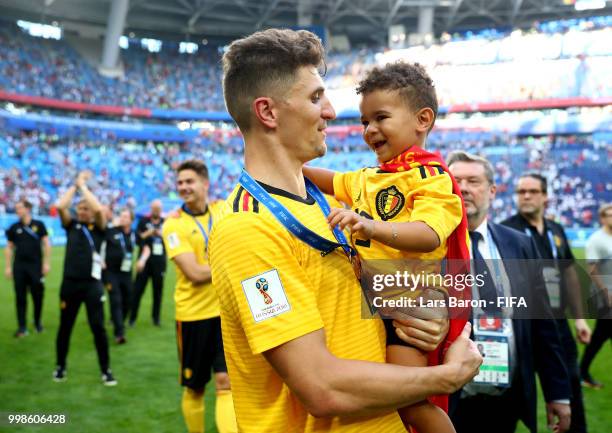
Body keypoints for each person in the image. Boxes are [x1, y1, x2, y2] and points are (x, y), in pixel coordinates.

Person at [209, 28, 481, 432]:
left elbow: (375, 299)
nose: (332, 111)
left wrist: (427, 320)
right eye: (316, 97)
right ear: (268, 112)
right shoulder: (247, 229)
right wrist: (447, 376)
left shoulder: (338, 207)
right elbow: (320, 387)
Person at [303, 61, 470, 432]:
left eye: (380, 117)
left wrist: (370, 226)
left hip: (409, 305)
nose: (369, 130)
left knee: (410, 404)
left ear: (422, 119)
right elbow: (322, 178)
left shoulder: (431, 178)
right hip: (374, 301)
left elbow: (429, 233)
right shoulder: (369, 177)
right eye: (364, 122)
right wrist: (286, 162)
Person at [447, 151, 572, 433]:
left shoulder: (519, 245)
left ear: (492, 191)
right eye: (456, 180)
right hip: (449, 400)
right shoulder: (427, 246)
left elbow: (543, 325)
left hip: (507, 400)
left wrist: (557, 392)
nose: (464, 187)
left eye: (473, 181)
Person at [502, 172, 590, 433]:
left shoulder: (556, 230)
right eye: (521, 192)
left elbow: (570, 274)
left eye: (532, 191)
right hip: (523, 327)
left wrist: (579, 318)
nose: (526, 196)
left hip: (558, 325)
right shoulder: (506, 232)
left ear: (546, 197)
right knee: (516, 393)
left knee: (570, 387)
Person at [161, 160, 236, 433]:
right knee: (195, 388)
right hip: (193, 315)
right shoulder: (173, 225)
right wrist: (232, 265)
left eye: (189, 181)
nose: (183, 188)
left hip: (225, 314)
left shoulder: (221, 209)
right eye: (180, 183)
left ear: (205, 183)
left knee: (226, 382)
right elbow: (193, 272)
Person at [53, 170, 116, 386]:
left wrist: (84, 188)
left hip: (92, 285)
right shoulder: (71, 225)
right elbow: (61, 207)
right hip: (69, 284)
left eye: (84, 208)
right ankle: (60, 367)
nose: (82, 211)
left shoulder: (98, 228)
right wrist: (75, 186)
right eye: (79, 208)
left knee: (98, 327)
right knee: (65, 327)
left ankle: (105, 370)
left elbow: (98, 208)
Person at [4, 199, 51, 336]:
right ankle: (22, 327)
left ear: (27, 209)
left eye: (20, 208)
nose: (17, 211)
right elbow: (9, 247)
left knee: (38, 296)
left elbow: (47, 244)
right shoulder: (13, 227)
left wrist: (46, 263)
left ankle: (37, 323)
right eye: (16, 208)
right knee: (20, 297)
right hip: (19, 267)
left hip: (36, 267)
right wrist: (8, 267)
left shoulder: (39, 225)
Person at [580, 203, 612, 388]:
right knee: (600, 336)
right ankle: (582, 371)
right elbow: (592, 270)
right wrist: (606, 293)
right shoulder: (596, 240)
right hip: (605, 298)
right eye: (609, 215)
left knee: (601, 336)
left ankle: (582, 371)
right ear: (602, 218)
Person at [130, 199, 166, 327]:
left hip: (160, 262)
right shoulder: (143, 221)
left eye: (158, 208)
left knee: (158, 292)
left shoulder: (165, 222)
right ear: (151, 209)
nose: (156, 210)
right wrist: (148, 233)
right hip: (144, 262)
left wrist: (161, 235)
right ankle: (132, 318)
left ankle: (156, 318)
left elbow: (172, 240)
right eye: (154, 208)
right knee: (137, 290)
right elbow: (137, 239)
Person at [104, 208, 135, 344]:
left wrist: (143, 258)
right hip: (111, 272)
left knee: (128, 300)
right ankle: (119, 333)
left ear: (131, 220)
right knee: (115, 300)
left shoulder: (133, 235)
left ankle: (119, 322)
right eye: (121, 216)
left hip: (126, 273)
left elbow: (144, 243)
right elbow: (98, 240)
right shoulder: (112, 231)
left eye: (126, 217)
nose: (123, 219)